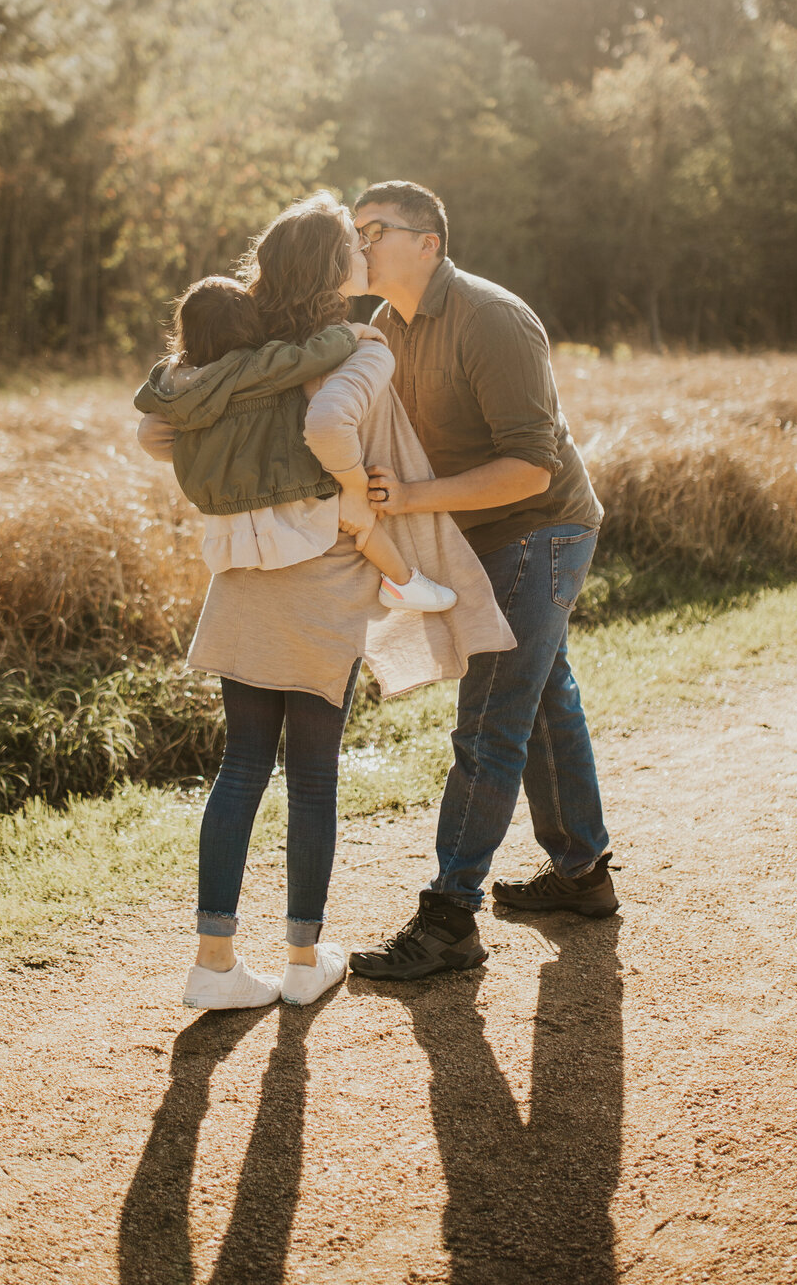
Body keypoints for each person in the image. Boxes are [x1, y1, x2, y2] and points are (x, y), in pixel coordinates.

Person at [135, 192, 514, 1013]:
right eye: (354, 244)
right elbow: (329, 426)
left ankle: (214, 962)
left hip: (241, 575)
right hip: (323, 576)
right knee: (311, 777)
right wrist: (354, 493)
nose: (365, 252)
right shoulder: (358, 348)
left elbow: (156, 433)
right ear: (331, 268)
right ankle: (304, 960)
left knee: (240, 767)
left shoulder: (244, 345)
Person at [346, 180, 616, 987]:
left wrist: (417, 499)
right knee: (541, 703)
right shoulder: (384, 328)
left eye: (375, 229)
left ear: (428, 242)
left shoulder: (491, 319)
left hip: (543, 531)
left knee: (493, 719)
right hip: (482, 539)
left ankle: (450, 917)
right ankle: (581, 875)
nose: (358, 242)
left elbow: (531, 466)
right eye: (353, 229)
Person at [136, 272, 458, 613]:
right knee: (354, 512)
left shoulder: (170, 380)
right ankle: (402, 582)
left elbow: (148, 418)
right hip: (281, 490)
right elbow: (310, 355)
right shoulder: (255, 367)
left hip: (222, 511)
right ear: (247, 324)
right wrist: (354, 332)